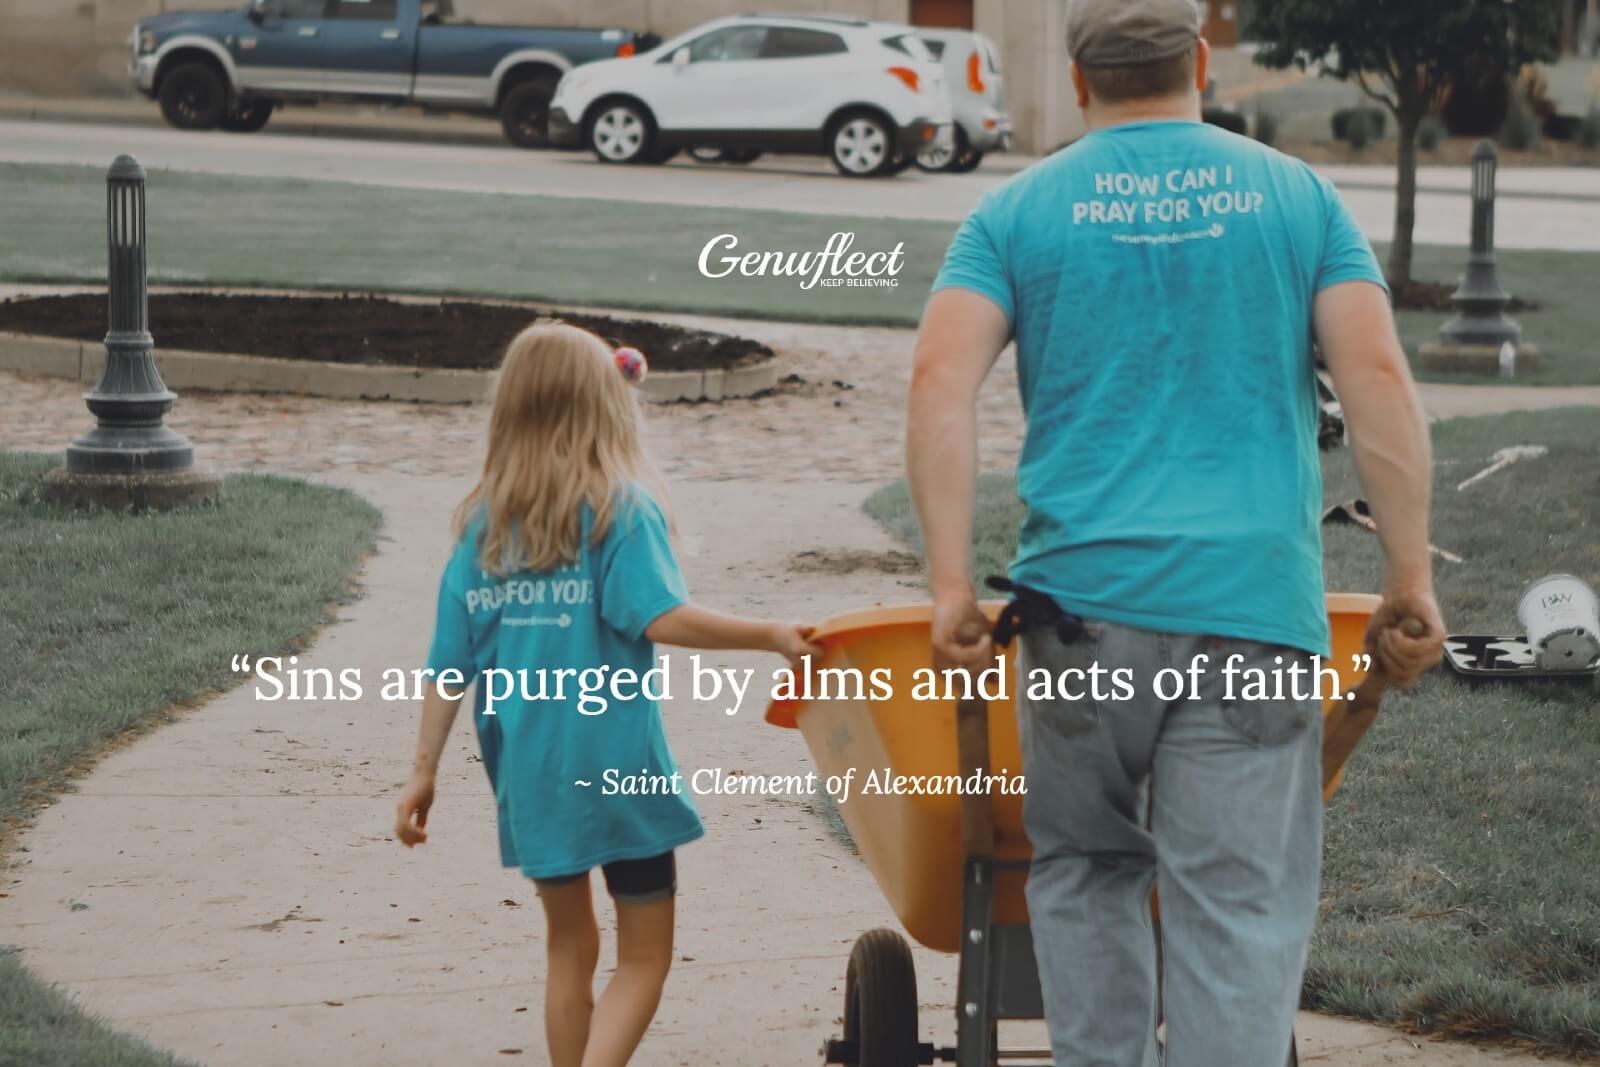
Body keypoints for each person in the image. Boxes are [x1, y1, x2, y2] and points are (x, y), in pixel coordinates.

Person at [905, 0, 1446, 1063]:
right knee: (1237, 903)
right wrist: (1409, 571)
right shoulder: (1298, 199)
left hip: (1078, 617)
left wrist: (948, 586)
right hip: (1251, 611)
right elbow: (1375, 378)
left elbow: (937, 383)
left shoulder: (1014, 212)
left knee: (1085, 868)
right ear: (1199, 59)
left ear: (1076, 83)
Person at [394, 322, 818, 1067]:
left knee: (567, 949)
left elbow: (446, 664)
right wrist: (772, 633)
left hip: (527, 771)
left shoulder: (482, 528)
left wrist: (423, 768)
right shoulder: (621, 508)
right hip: (618, 766)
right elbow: (659, 615)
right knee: (645, 956)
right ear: (606, 406)